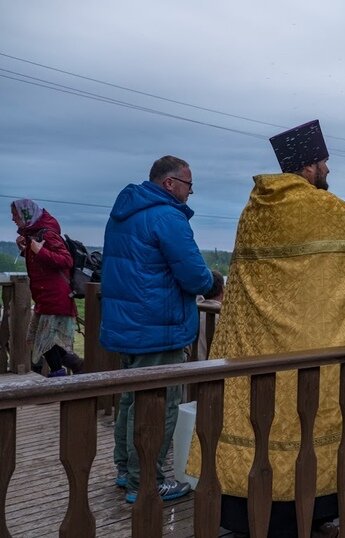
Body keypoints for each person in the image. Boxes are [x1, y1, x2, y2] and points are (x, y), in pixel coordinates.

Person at [184, 119, 345, 536]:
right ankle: (308, 515)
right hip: (303, 361)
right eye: (324, 163)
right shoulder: (320, 209)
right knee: (309, 428)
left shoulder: (255, 209)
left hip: (253, 358)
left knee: (256, 437)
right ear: (309, 166)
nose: (328, 171)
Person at [101, 155, 213, 504]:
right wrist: (215, 283)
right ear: (170, 183)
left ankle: (126, 470)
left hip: (129, 326)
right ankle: (145, 481)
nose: (190, 193)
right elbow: (194, 274)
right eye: (188, 186)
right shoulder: (167, 216)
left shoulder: (125, 213)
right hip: (157, 328)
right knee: (159, 404)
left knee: (132, 399)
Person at [11, 199, 83, 377]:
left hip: (55, 296)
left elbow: (66, 260)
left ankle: (59, 374)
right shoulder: (34, 234)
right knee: (40, 339)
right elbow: (42, 264)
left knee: (43, 340)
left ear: (25, 214)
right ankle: (75, 365)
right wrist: (25, 249)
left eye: (15, 215)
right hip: (46, 296)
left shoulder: (47, 234)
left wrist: (38, 251)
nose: (13, 219)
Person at [196, 269, 225, 360]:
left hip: (192, 366)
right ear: (223, 289)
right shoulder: (224, 317)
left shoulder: (194, 311)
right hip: (217, 368)